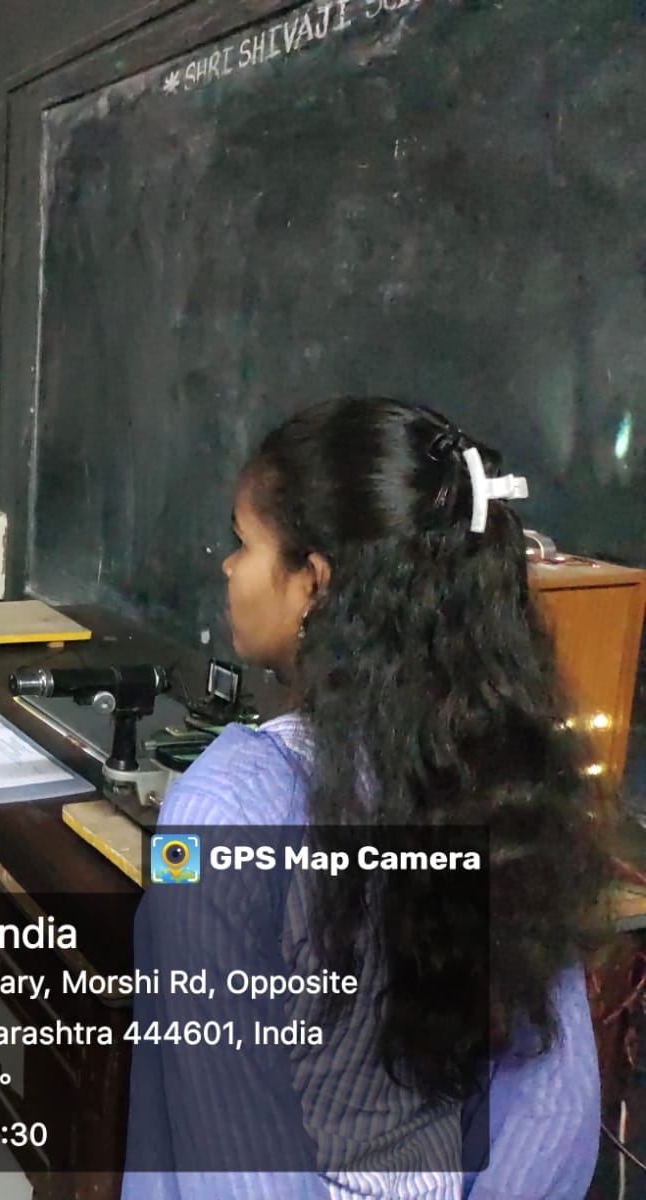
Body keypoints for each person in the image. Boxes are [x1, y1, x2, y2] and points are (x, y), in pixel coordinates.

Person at [122, 398, 604, 1198]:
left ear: (313, 583)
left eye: (245, 545)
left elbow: (233, 1166)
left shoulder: (223, 808)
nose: (228, 570)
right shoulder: (516, 785)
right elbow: (553, 1111)